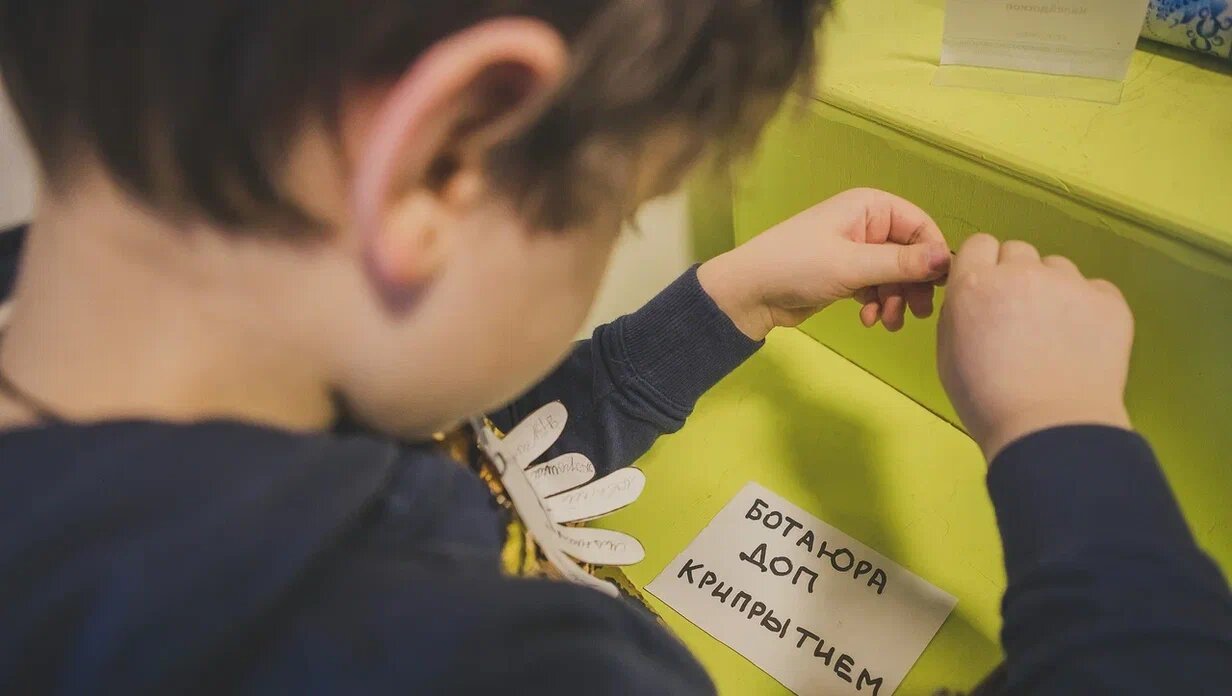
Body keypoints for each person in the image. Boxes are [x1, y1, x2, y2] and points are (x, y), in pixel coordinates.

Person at [0, 1, 1227, 694]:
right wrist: (1063, 433)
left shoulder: (95, 332)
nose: (620, 233)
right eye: (622, 209)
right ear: (445, 153)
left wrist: (729, 299)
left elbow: (467, 445)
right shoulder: (500, 669)